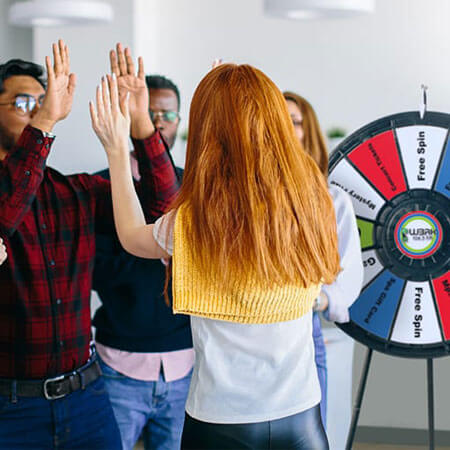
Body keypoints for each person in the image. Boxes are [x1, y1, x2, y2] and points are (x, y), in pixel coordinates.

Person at [91, 63, 342, 449]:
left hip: (221, 420)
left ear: (208, 129)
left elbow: (130, 236)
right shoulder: (310, 204)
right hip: (301, 414)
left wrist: (116, 152)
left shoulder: (195, 222)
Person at [0, 41, 178, 449]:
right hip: (9, 408)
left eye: (42, 101)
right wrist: (45, 121)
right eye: (24, 101)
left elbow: (162, 209)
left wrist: (140, 127)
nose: (39, 108)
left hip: (86, 398)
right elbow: (5, 213)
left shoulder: (75, 191)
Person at [92, 73, 193, 450]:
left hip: (186, 363)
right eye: (149, 112)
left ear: (179, 122)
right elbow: (96, 267)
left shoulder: (195, 186)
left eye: (167, 114)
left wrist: (142, 247)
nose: (157, 122)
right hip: (119, 362)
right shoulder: (101, 187)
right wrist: (163, 254)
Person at [283, 91, 364, 427]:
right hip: (246, 336)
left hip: (304, 330)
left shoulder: (331, 201)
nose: (286, 128)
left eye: (296, 121)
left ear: (309, 131)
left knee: (308, 433)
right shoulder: (239, 199)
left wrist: (316, 298)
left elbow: (347, 276)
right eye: (277, 119)